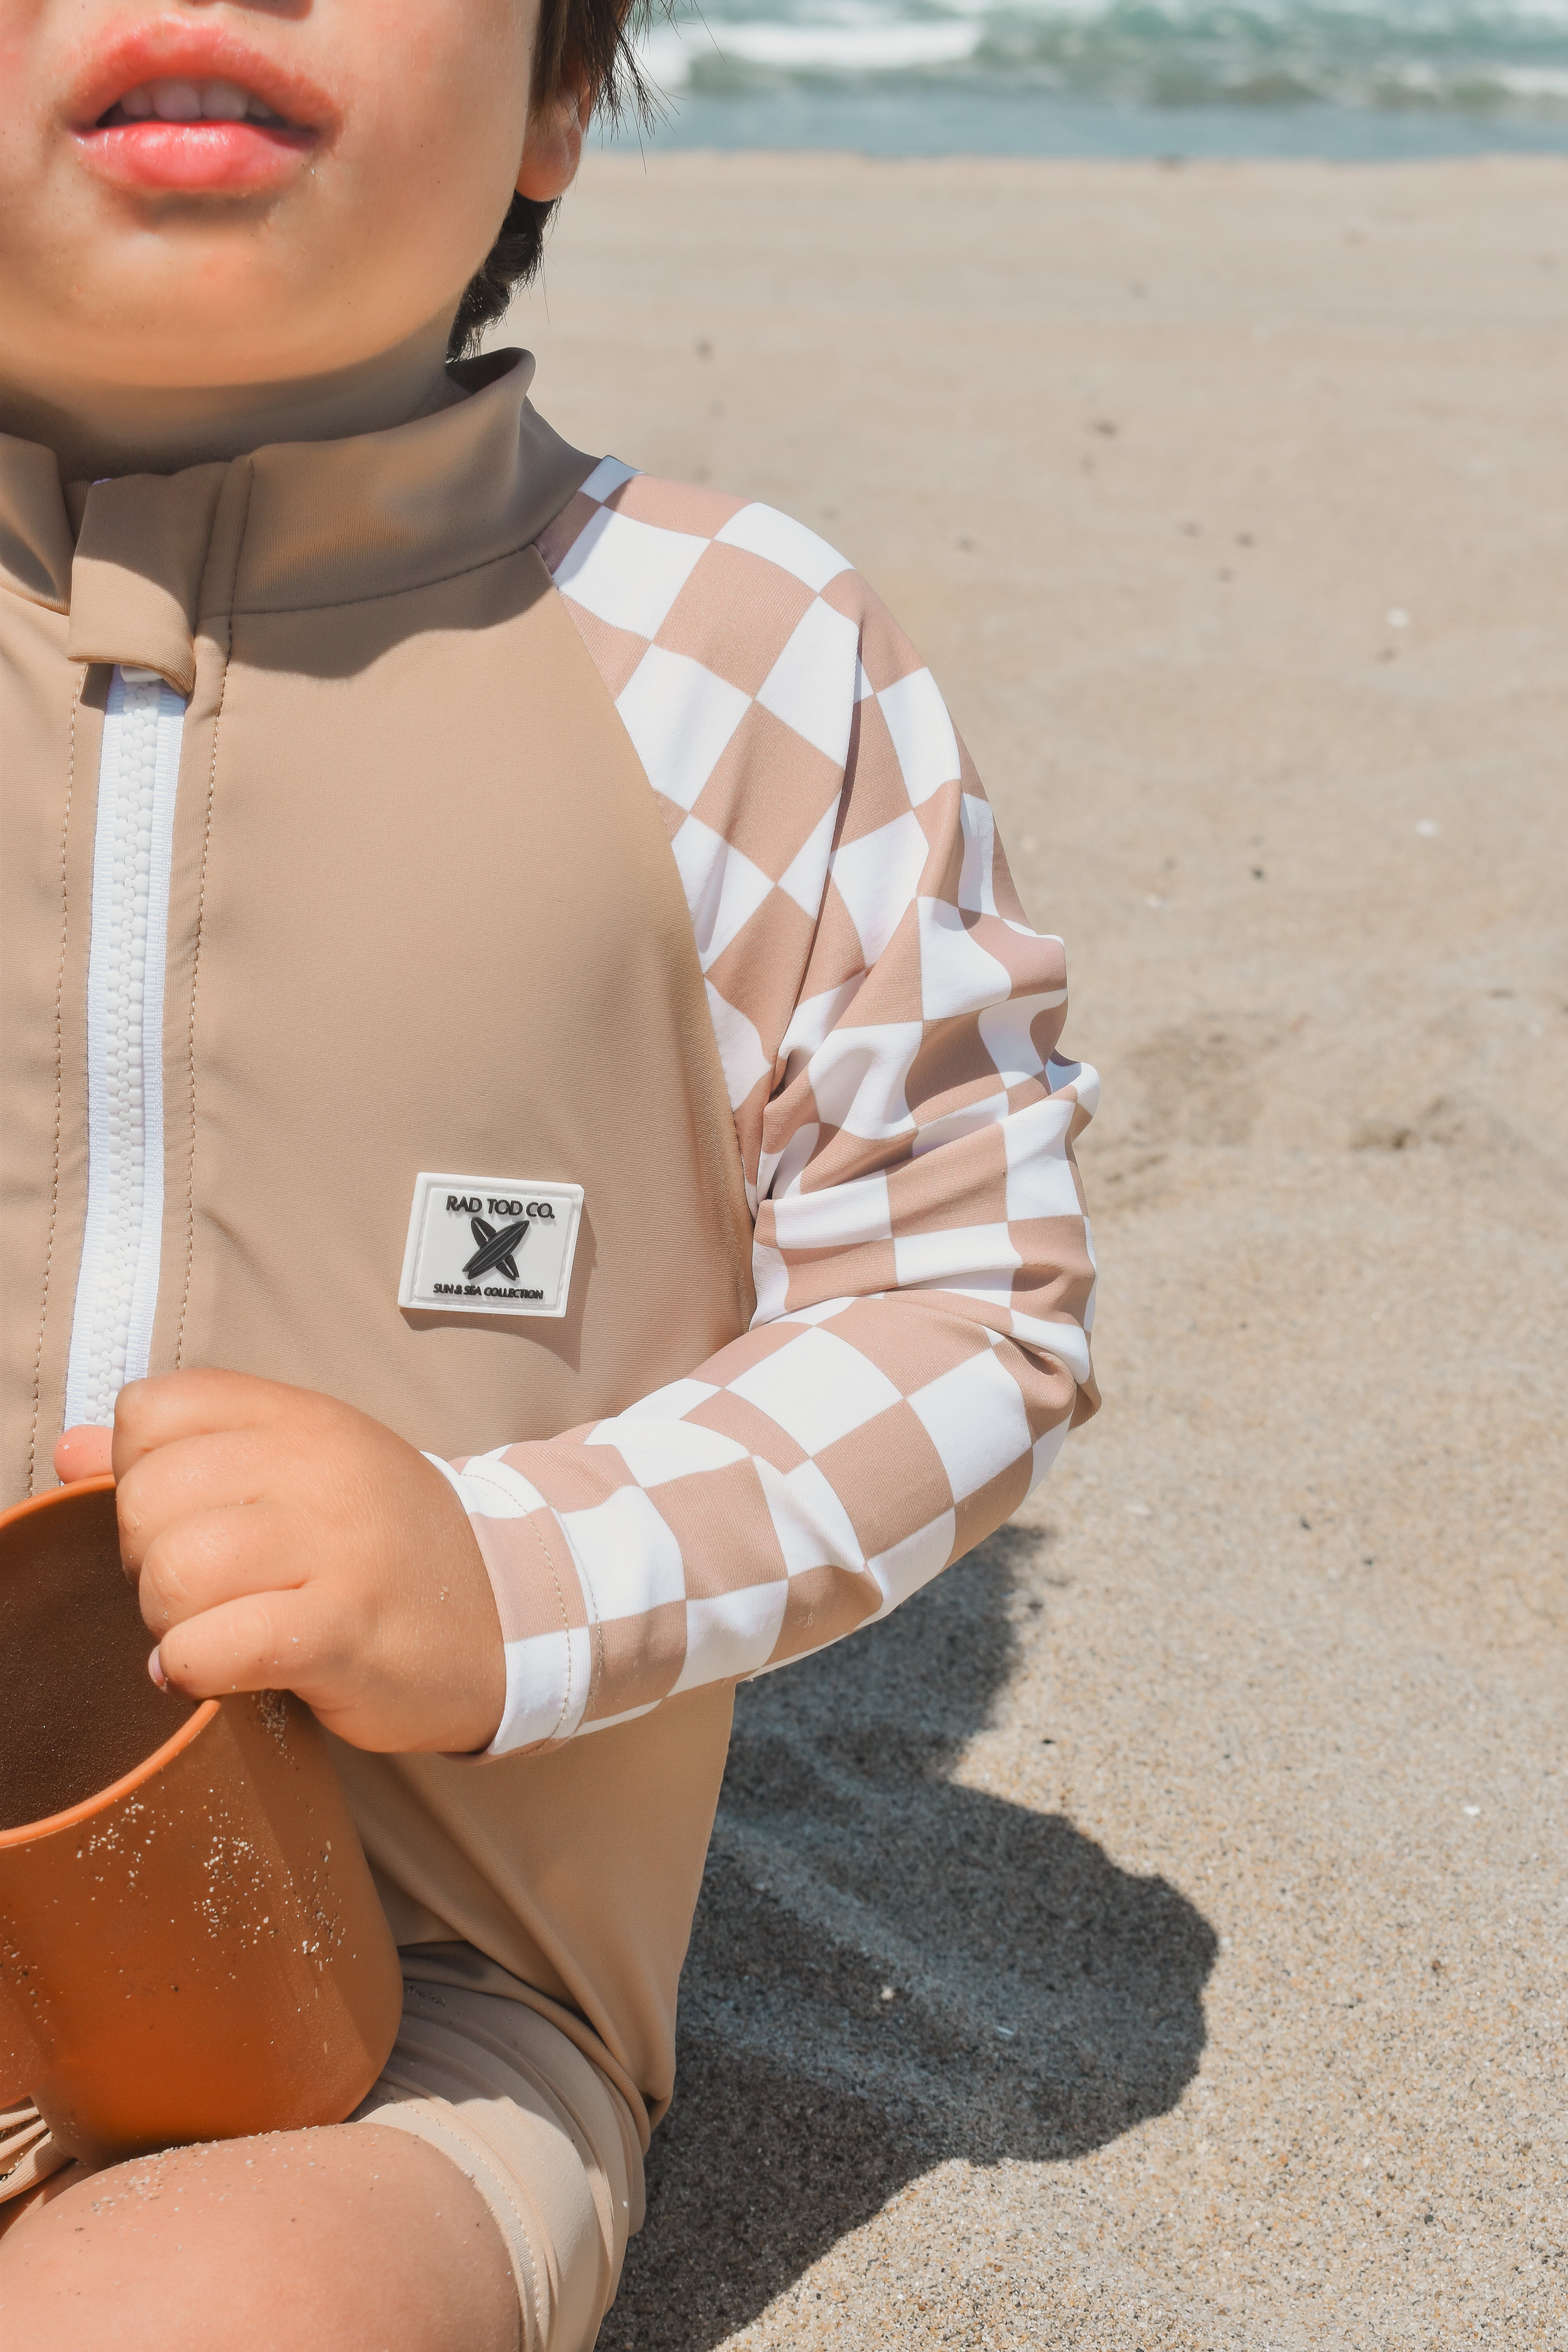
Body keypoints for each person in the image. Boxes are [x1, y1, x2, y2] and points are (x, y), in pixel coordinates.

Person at [0, 0, 1099, 2339]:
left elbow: (962, 1302)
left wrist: (499, 1572)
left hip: (383, 2018)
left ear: (561, 100)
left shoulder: (733, 662)